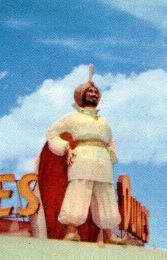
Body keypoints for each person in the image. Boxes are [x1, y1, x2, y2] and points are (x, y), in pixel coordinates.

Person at [45, 64, 125, 245]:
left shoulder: (104, 121)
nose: (93, 94)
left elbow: (110, 140)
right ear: (81, 95)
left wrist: (111, 153)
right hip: (82, 157)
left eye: (96, 92)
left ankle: (109, 235)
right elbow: (52, 133)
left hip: (102, 160)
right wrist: (65, 147)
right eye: (89, 91)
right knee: (78, 192)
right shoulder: (71, 117)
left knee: (105, 195)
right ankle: (71, 231)